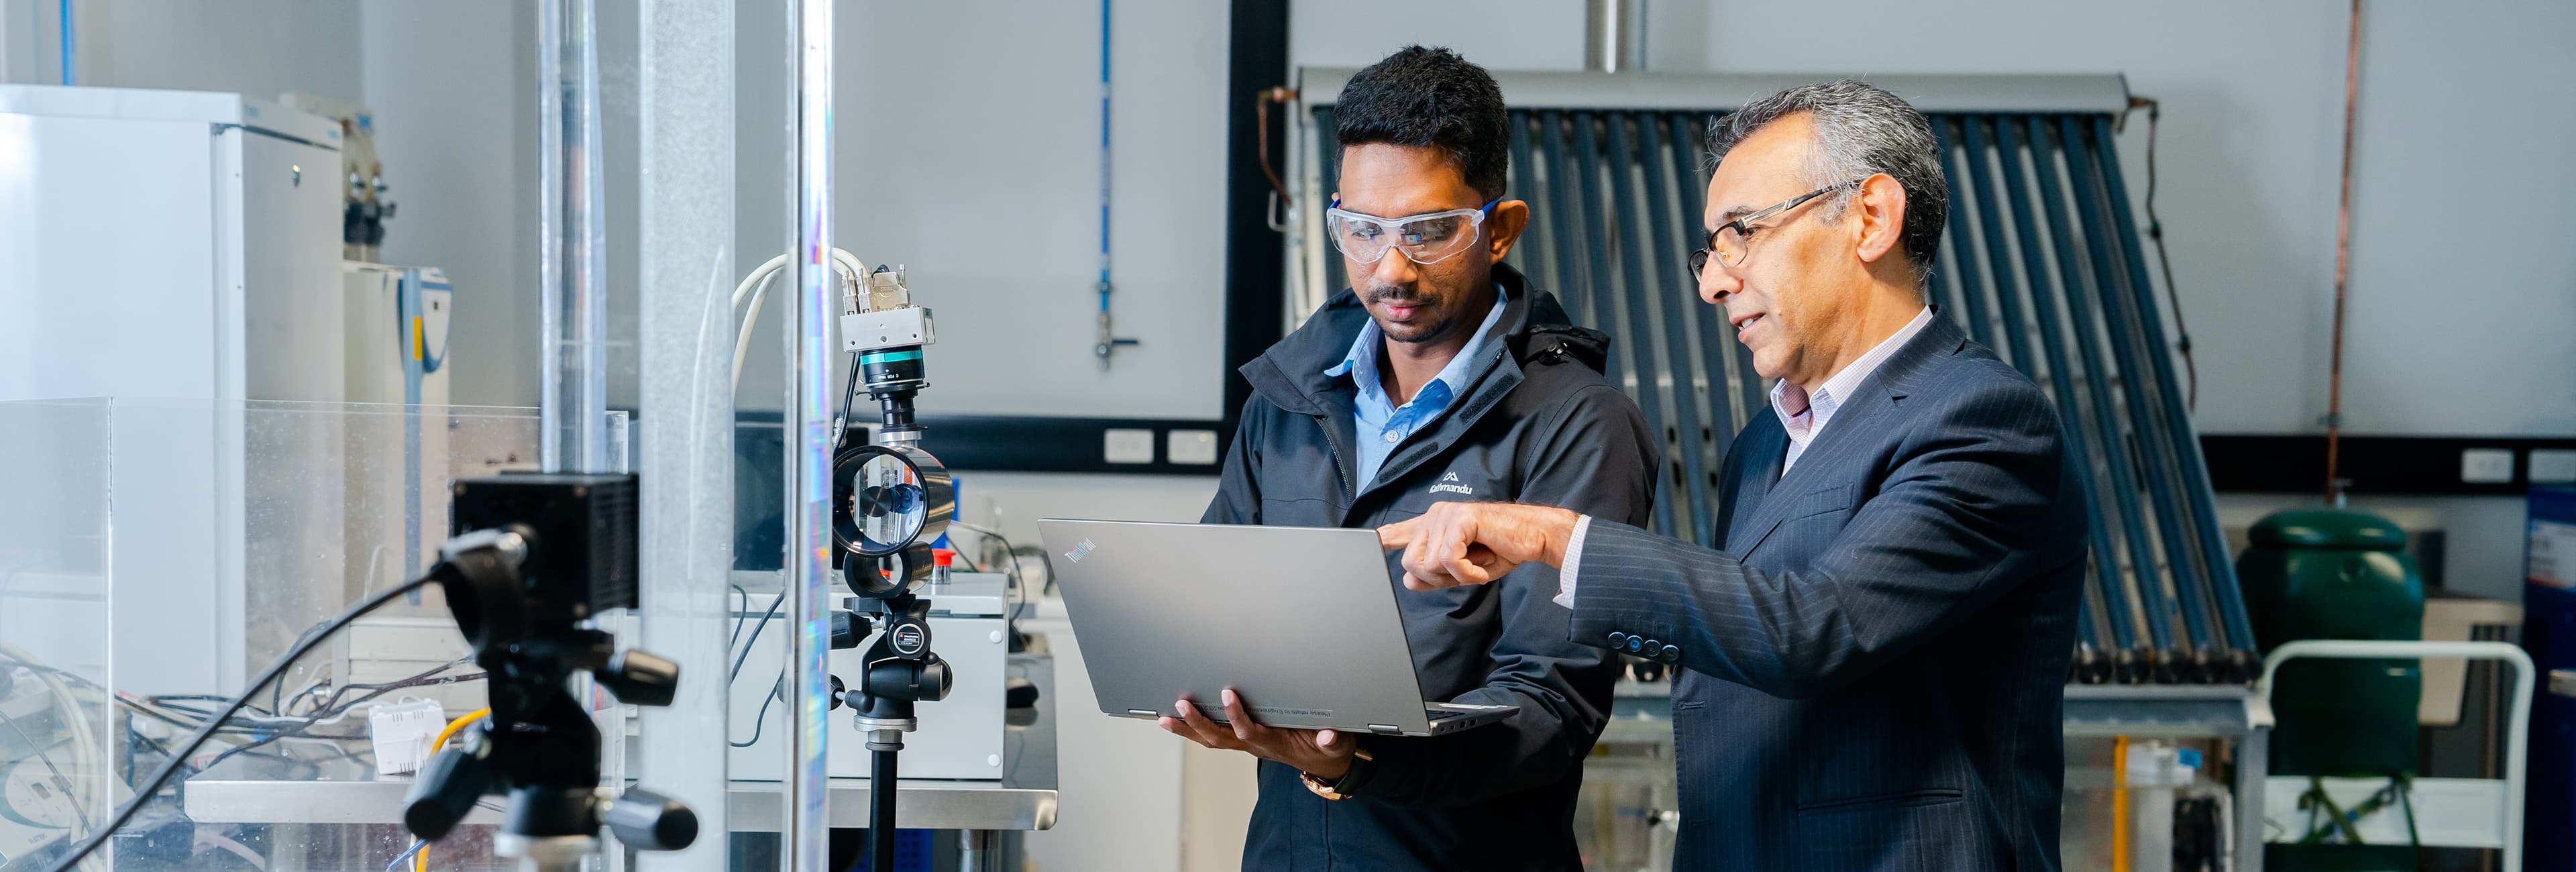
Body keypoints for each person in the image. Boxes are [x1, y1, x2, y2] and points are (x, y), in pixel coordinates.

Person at [1378, 79, 2088, 872]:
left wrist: (1550, 534)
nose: (1711, 282)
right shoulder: (1761, 445)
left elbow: (1810, 628)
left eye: (1740, 233)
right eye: (1710, 249)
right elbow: (1741, 651)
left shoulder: (1983, 417)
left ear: (1870, 218)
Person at [1161, 46, 1658, 871]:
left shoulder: (1579, 423)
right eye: (1361, 230)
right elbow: (1220, 603)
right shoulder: (1286, 399)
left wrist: (1358, 762)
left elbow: (1551, 703)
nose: (1390, 268)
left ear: (1498, 229)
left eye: (1427, 232)